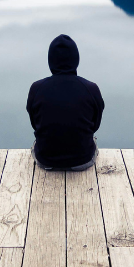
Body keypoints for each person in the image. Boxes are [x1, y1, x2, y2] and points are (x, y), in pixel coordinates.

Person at [27, 34, 104, 171]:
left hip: (46, 160)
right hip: (83, 160)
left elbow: (35, 123)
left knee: (36, 141)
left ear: (50, 60)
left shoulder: (36, 88)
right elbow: (95, 125)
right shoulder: (91, 88)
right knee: (93, 139)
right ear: (76, 59)